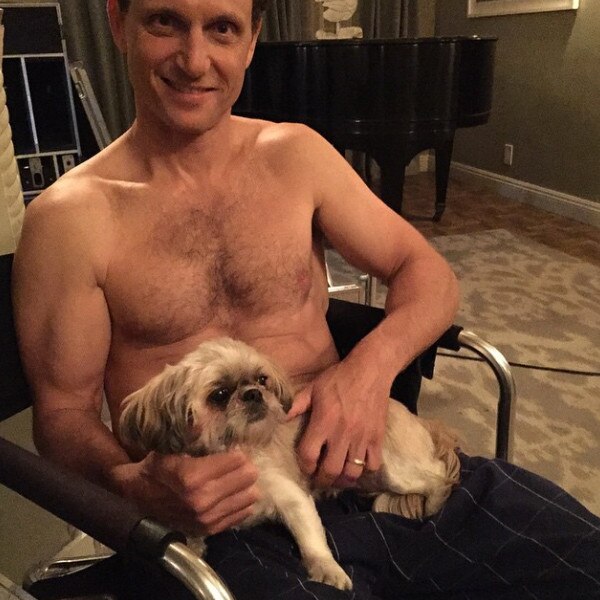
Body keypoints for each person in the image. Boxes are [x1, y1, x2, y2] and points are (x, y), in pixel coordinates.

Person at [12, 1, 599, 599]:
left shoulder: (296, 156)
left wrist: (367, 372)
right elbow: (62, 414)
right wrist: (132, 483)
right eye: (166, 22)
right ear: (118, 22)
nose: (195, 60)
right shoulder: (69, 219)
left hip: (371, 462)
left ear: (252, 39)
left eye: (222, 28)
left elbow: (427, 272)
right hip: (230, 524)